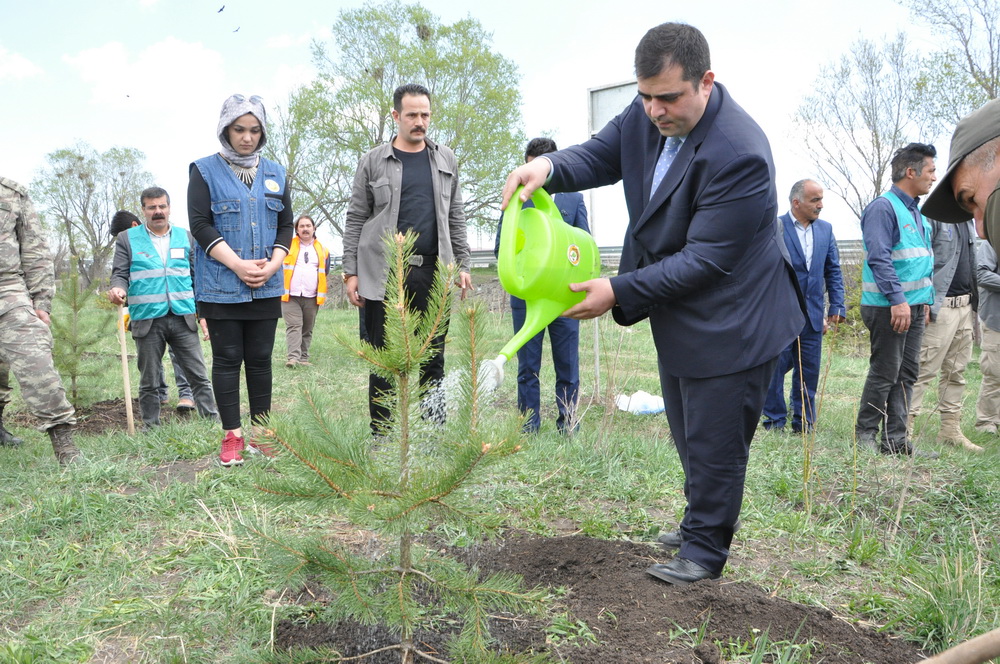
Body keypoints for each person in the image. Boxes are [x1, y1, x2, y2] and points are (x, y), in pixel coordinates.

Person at [501, 23, 803, 585]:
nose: (655, 110)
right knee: (688, 428)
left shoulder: (739, 152)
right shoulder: (645, 117)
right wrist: (547, 167)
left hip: (735, 316)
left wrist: (616, 290)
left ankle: (704, 553)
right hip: (681, 310)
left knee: (715, 439)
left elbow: (706, 260)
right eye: (644, 97)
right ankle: (697, 520)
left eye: (668, 97)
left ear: (705, 82)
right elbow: (598, 155)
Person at [343, 83, 472, 434]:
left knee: (433, 358)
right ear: (396, 116)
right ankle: (383, 437)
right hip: (384, 274)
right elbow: (356, 217)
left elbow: (455, 215)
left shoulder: (446, 159)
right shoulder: (372, 161)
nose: (420, 122)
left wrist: (462, 264)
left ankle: (433, 434)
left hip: (434, 273)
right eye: (412, 115)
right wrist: (350, 272)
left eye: (425, 115)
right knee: (384, 361)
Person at [189, 94, 293, 466]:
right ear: (225, 130)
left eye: (254, 130)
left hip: (265, 282)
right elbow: (200, 225)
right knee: (228, 358)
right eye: (239, 129)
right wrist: (237, 265)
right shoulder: (203, 171)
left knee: (261, 359)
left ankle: (263, 434)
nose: (246, 137)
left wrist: (273, 263)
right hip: (221, 284)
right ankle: (231, 436)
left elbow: (285, 225)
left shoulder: (276, 173)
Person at [494, 138, 590, 434]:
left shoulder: (573, 199)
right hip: (526, 297)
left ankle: (568, 425)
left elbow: (584, 245)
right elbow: (502, 248)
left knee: (568, 365)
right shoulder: (517, 200)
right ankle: (528, 426)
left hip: (565, 299)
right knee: (527, 366)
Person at [107, 188, 217, 430]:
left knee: (198, 374)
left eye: (162, 206)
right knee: (149, 379)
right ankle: (150, 427)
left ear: (169, 207)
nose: (158, 211)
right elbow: (120, 274)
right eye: (151, 207)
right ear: (144, 210)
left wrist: (203, 314)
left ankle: (211, 420)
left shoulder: (186, 237)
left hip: (183, 316)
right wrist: (117, 289)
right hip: (147, 319)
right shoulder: (127, 239)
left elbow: (197, 278)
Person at [854, 143, 938, 458]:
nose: (933, 176)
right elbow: (880, 258)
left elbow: (918, 261)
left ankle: (896, 441)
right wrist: (898, 300)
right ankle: (865, 436)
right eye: (929, 170)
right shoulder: (883, 208)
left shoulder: (916, 211)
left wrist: (924, 299)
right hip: (888, 306)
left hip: (914, 306)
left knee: (906, 373)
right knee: (885, 370)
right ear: (910, 172)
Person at [0, 176, 82, 464]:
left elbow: (34, 250)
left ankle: (65, 444)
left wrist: (41, 301)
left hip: (6, 288)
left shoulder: (11, 194)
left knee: (35, 359)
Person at [762, 180, 846, 433]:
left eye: (821, 199)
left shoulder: (825, 230)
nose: (820, 205)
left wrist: (837, 306)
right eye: (814, 200)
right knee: (774, 371)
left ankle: (804, 424)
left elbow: (833, 270)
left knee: (808, 371)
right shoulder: (774, 227)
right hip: (780, 315)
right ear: (796, 202)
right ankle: (774, 422)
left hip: (813, 315)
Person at [907, 215, 981, 453]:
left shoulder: (967, 219)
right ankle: (903, 429)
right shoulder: (934, 216)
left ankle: (950, 430)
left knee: (956, 372)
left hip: (964, 307)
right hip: (940, 308)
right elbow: (922, 261)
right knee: (923, 369)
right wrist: (926, 300)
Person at [111, 210, 196, 412]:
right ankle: (160, 392)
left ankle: (186, 394)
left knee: (179, 353)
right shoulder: (127, 244)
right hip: (144, 309)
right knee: (151, 356)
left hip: (176, 307)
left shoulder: (173, 238)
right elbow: (121, 275)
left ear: (133, 226)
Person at [281, 214, 330, 368]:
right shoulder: (287, 245)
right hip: (290, 295)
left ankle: (304, 358)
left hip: (312, 296)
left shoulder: (323, 250)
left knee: (307, 328)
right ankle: (293, 358)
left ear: (314, 228)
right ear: (297, 229)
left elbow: (325, 271)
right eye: (301, 226)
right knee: (294, 326)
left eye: (308, 226)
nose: (305, 229)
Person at [974, 240, 1000, 437]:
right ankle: (986, 422)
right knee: (995, 374)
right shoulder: (990, 243)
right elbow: (982, 275)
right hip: (996, 320)